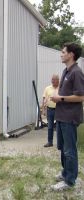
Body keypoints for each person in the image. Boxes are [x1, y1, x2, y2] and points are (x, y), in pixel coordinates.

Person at [50, 43, 84, 191]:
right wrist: (57, 96)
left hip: (70, 118)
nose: (61, 54)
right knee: (63, 149)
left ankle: (70, 181)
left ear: (71, 55)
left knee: (70, 150)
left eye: (63, 52)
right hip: (62, 116)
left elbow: (80, 96)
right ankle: (65, 174)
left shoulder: (77, 72)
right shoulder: (66, 71)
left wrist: (60, 99)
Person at [42, 74, 59, 147]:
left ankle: (60, 143)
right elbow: (44, 99)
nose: (53, 81)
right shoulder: (47, 88)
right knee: (50, 126)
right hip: (50, 109)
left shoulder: (61, 88)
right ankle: (50, 142)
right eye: (52, 79)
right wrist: (43, 109)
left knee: (59, 127)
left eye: (54, 79)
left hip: (59, 110)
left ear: (58, 80)